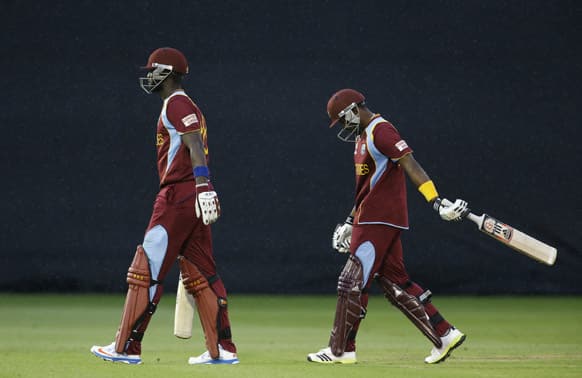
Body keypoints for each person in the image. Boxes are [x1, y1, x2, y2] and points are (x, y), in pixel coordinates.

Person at [91, 47, 239, 365]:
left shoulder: (178, 103)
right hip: (192, 198)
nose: (148, 75)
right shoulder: (181, 105)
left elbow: (194, 145)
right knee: (203, 273)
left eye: (152, 70)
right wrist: (202, 190)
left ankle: (125, 347)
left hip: (178, 196)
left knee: (146, 270)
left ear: (168, 73)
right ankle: (223, 349)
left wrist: (201, 185)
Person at [307, 88, 469, 365]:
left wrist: (436, 201)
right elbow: (367, 189)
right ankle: (443, 334)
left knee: (351, 282)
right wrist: (349, 221)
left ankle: (340, 350)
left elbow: (410, 163)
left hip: (378, 220)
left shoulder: (380, 130)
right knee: (395, 283)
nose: (343, 126)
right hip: (372, 217)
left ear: (352, 111)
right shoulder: (362, 137)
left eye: (342, 119)